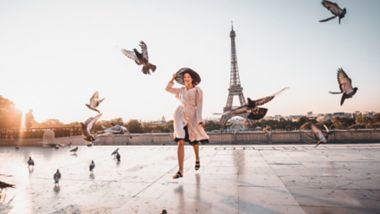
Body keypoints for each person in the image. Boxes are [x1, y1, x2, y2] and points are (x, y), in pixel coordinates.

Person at [166, 67, 209, 179]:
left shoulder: (198, 90)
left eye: (188, 77)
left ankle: (197, 158)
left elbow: (199, 105)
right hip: (180, 114)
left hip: (193, 116)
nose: (186, 78)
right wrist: (172, 78)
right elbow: (167, 89)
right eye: (184, 77)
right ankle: (180, 171)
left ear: (192, 78)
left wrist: (199, 119)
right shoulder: (180, 90)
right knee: (180, 141)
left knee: (194, 141)